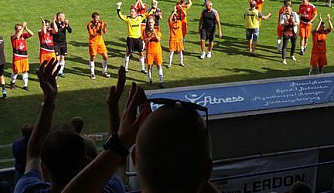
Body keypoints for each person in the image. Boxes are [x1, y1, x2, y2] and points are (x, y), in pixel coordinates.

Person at [64, 68, 217, 193]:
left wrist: (120, 143)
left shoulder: (116, 188)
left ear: (135, 158)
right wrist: (196, 174)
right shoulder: (203, 172)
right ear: (207, 170)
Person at [14, 59, 123, 193]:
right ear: (87, 164)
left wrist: (49, 101)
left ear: (43, 168)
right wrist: (113, 106)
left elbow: (34, 153)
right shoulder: (110, 190)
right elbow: (117, 161)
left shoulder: (26, 189)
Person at [117, 2, 148, 73]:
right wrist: (118, 8)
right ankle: (126, 68)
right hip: (130, 38)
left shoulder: (140, 17)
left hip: (138, 38)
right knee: (128, 52)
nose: (131, 13)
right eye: (130, 12)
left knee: (141, 53)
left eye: (132, 12)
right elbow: (120, 16)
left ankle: (143, 68)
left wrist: (153, 7)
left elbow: (147, 14)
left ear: (136, 12)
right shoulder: (128, 18)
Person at [10, 22, 34, 91]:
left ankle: (25, 85)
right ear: (15, 29)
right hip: (17, 56)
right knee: (15, 71)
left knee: (25, 71)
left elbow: (32, 34)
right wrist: (23, 28)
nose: (20, 30)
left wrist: (26, 28)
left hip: (24, 56)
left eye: (21, 29)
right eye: (19, 29)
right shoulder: (13, 36)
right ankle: (12, 83)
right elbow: (17, 36)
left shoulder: (23, 35)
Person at [87, 12, 110, 79]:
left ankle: (104, 71)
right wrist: (99, 29)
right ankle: (92, 73)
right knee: (93, 57)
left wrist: (104, 27)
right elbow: (92, 35)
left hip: (100, 41)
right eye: (96, 18)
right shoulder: (90, 25)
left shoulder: (101, 22)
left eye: (98, 18)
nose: (98, 19)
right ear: (93, 18)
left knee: (105, 56)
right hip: (93, 42)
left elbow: (104, 32)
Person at [143, 17, 164, 87]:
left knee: (159, 65)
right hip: (149, 51)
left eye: (151, 22)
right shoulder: (145, 31)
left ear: (154, 23)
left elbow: (158, 39)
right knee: (149, 66)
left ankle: (161, 81)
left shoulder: (157, 30)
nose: (150, 24)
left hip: (157, 51)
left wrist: (154, 33)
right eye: (149, 22)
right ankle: (150, 80)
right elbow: (145, 40)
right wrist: (151, 37)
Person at [52, 12, 72, 78]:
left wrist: (67, 26)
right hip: (56, 43)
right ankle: (55, 71)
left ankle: (61, 71)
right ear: (59, 17)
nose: (64, 17)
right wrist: (62, 27)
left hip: (63, 43)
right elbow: (56, 31)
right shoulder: (54, 24)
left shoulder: (64, 23)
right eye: (63, 16)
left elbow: (70, 31)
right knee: (57, 58)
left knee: (62, 57)